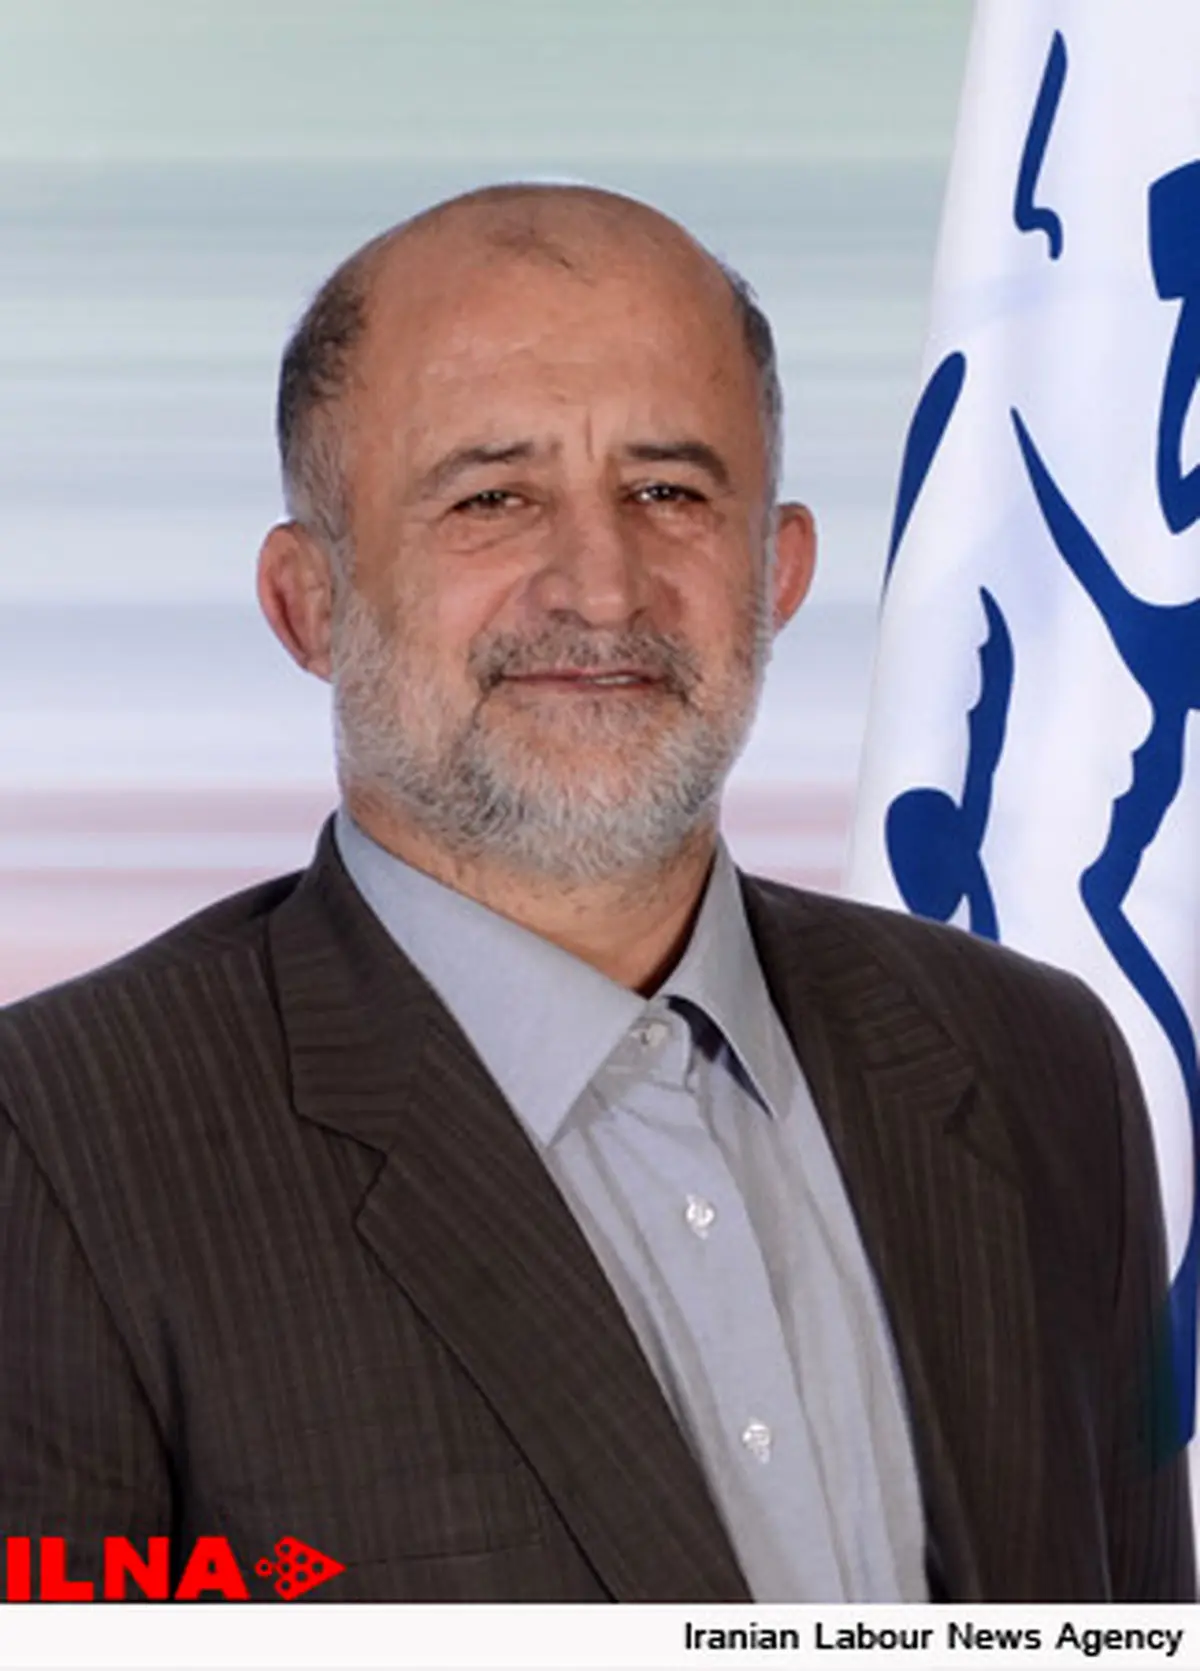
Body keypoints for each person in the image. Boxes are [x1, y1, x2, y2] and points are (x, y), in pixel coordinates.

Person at [0, 182, 1192, 1603]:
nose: (603, 589)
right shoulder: (56, 1147)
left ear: (779, 572)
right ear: (307, 603)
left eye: (669, 492)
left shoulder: (1039, 1062)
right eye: (492, 498)